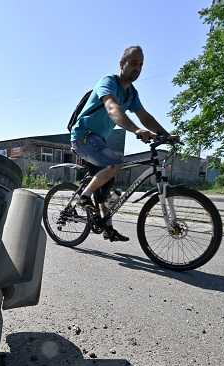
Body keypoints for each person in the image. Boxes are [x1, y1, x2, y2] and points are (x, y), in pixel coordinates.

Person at [70, 45, 176, 242]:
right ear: (122, 63)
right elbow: (112, 108)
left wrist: (166, 136)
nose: (137, 68)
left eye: (141, 65)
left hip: (99, 141)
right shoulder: (108, 82)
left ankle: (107, 228)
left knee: (108, 190)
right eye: (134, 63)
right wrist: (136, 130)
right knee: (116, 163)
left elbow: (145, 116)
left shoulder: (131, 94)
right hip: (83, 137)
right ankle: (83, 197)